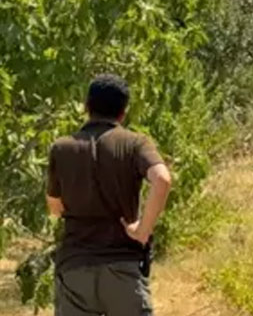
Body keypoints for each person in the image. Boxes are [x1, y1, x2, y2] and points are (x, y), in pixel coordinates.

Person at [46, 73, 173, 316]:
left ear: (86, 106)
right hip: (122, 268)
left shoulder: (61, 148)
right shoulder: (136, 143)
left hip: (75, 267)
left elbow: (55, 207)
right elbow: (162, 179)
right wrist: (142, 230)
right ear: (124, 111)